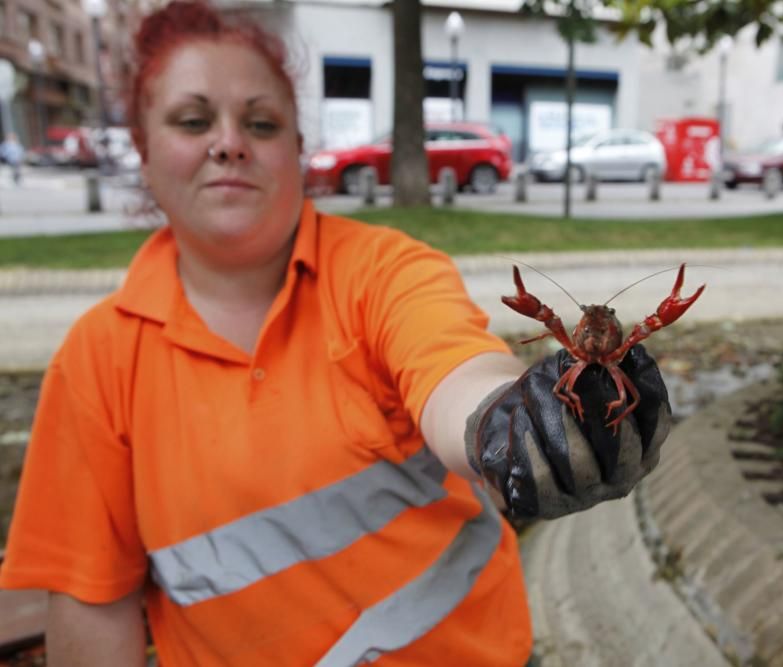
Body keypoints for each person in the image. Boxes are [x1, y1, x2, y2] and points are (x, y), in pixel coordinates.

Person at [0, 2, 700, 665]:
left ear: (300, 151)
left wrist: (503, 421)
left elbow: (457, 374)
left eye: (262, 123)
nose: (228, 143)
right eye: (191, 120)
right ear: (143, 153)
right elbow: (93, 600)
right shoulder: (95, 361)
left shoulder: (383, 270)